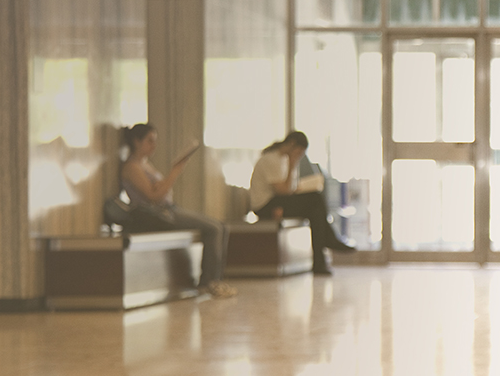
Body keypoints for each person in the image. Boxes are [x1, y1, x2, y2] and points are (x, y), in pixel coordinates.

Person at [120, 123, 237, 298]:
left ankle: (216, 280)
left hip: (168, 210)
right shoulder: (132, 167)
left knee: (221, 226)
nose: (154, 146)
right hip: (157, 214)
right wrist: (175, 172)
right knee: (213, 229)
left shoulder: (145, 165)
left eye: (155, 141)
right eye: (149, 141)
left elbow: (158, 188)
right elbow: (154, 196)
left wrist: (163, 182)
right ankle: (208, 282)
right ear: (136, 141)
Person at [249, 131, 355, 275]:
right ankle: (328, 241)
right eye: (299, 152)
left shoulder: (283, 160)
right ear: (292, 144)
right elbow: (284, 191)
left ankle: (320, 261)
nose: (299, 156)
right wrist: (293, 165)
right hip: (265, 205)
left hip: (277, 201)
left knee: (315, 210)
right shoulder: (271, 159)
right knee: (315, 200)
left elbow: (291, 189)